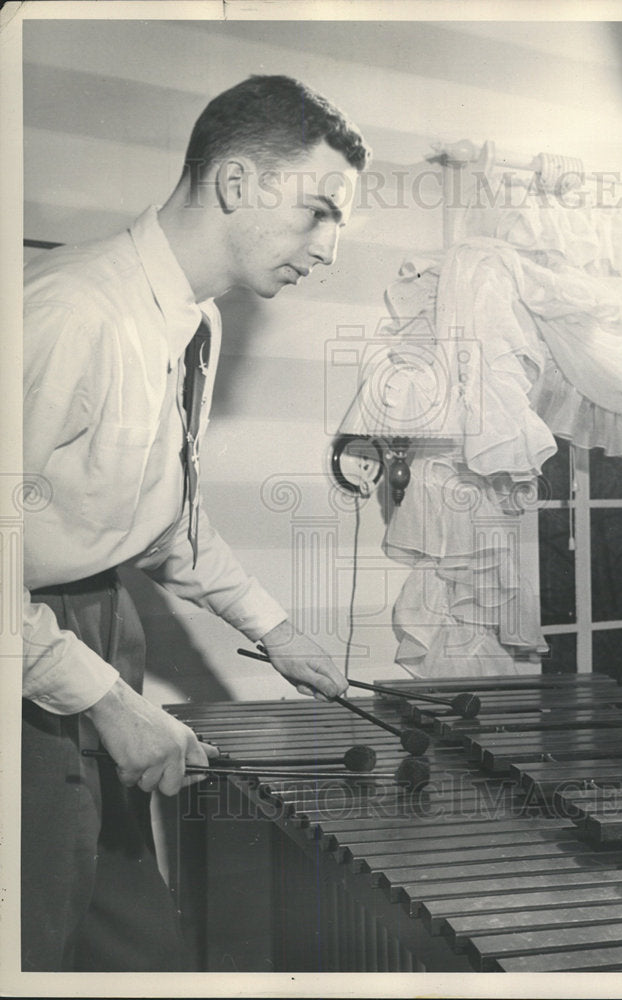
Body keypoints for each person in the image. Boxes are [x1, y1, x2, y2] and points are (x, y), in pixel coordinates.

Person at [22, 74, 370, 972]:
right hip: (26, 642)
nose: (328, 251)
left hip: (101, 621)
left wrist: (278, 631)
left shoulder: (196, 322)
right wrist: (102, 699)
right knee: (33, 936)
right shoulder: (69, 312)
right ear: (239, 183)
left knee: (133, 941)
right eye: (320, 213)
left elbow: (164, 520)